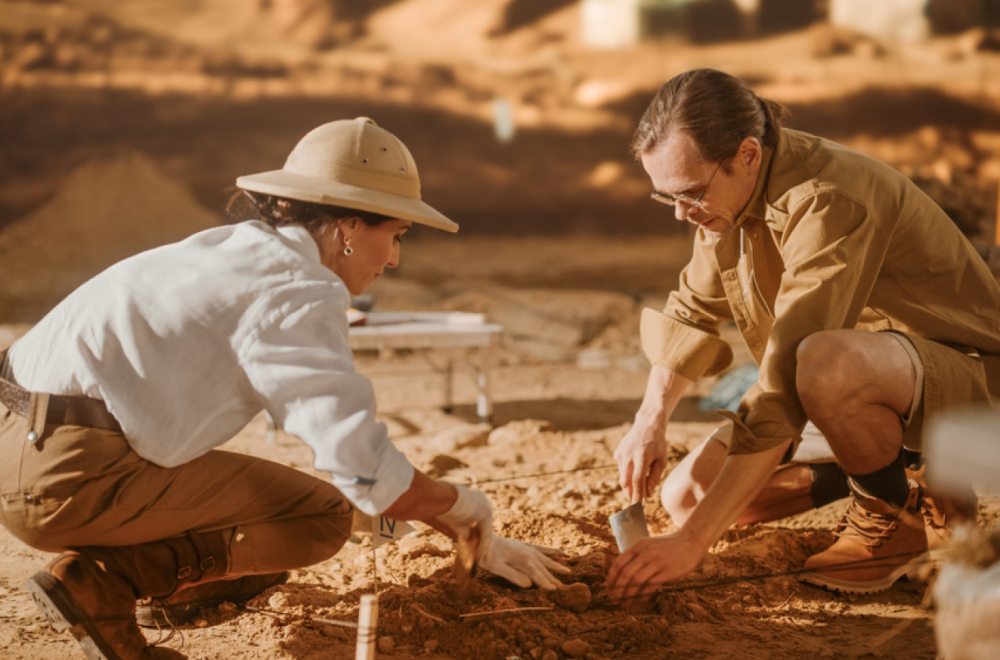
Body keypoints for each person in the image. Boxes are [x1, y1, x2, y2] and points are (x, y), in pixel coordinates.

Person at [0, 117, 568, 660]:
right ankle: (104, 584)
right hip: (60, 478)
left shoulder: (231, 249)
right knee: (317, 518)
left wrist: (426, 513)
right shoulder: (298, 289)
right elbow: (362, 468)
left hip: (17, 442)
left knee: (269, 522)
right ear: (348, 227)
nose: (394, 258)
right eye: (395, 235)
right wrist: (467, 511)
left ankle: (161, 589)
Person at [606, 69, 1000, 606]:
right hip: (860, 390)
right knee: (687, 494)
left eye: (690, 193)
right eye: (666, 197)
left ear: (748, 154)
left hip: (966, 379)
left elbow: (791, 371)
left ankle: (892, 519)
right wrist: (649, 419)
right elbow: (692, 310)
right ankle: (902, 466)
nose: (681, 214)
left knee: (822, 362)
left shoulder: (828, 195)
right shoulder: (723, 207)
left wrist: (694, 544)